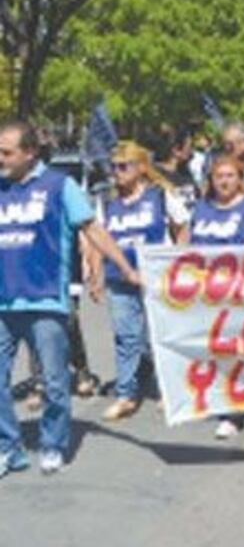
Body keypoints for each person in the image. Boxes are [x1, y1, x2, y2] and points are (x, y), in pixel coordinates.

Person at [0, 122, 140, 477]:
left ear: (30, 153)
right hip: (4, 302)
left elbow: (93, 229)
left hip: (46, 299)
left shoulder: (60, 187)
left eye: (6, 152)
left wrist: (124, 268)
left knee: (55, 382)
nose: (0, 159)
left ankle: (52, 444)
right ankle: (9, 448)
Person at [91, 141, 190, 421]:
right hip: (120, 277)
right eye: (114, 167)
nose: (117, 172)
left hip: (157, 277)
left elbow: (182, 226)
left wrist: (178, 260)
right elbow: (98, 239)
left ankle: (167, 389)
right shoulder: (107, 201)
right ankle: (126, 394)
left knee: (161, 335)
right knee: (126, 337)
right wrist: (96, 273)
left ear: (141, 168)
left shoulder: (160, 195)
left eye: (123, 166)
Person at [190, 155, 244, 439]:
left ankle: (233, 412)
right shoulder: (200, 208)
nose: (223, 181)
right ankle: (221, 398)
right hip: (205, 294)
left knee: (234, 350)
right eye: (218, 176)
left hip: (238, 294)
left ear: (239, 179)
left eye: (229, 176)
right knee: (212, 350)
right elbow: (186, 246)